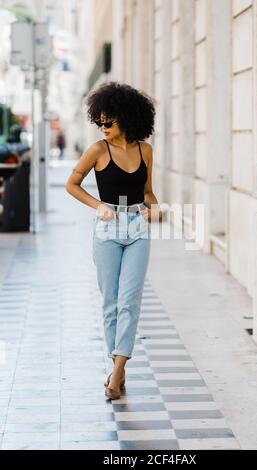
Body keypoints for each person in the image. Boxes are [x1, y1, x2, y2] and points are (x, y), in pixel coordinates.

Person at [65, 81, 162, 400]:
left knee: (130, 301)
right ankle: (117, 365)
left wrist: (155, 208)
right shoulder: (96, 150)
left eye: (109, 121)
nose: (103, 126)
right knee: (110, 303)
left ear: (127, 117)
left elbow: (147, 192)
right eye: (100, 121)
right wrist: (99, 206)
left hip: (136, 228)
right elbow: (73, 184)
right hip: (107, 229)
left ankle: (117, 372)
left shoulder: (145, 149)